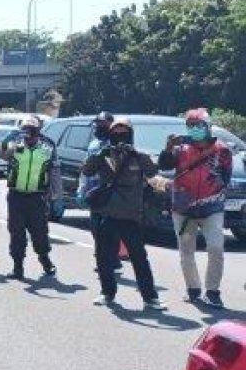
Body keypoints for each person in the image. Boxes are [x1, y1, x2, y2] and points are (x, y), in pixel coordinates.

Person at [83, 117, 165, 310]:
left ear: (130, 135)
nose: (120, 137)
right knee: (103, 256)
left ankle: (150, 297)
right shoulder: (104, 155)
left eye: (124, 133)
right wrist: (98, 154)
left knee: (139, 258)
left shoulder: (139, 156)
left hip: (131, 216)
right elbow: (86, 171)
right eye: (116, 133)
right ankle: (107, 293)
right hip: (107, 213)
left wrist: (137, 154)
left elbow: (153, 173)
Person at [159, 108, 233, 308]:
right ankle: (193, 290)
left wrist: (211, 185)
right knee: (186, 250)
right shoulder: (180, 149)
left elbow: (226, 178)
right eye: (190, 126)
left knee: (216, 247)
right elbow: (164, 166)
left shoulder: (222, 149)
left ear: (208, 126)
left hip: (212, 206)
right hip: (183, 208)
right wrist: (167, 148)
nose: (195, 130)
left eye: (198, 126)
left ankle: (213, 291)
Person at [0, 115, 59, 280]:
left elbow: (54, 171)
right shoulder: (15, 146)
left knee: (39, 232)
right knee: (16, 233)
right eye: (25, 130)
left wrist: (56, 195)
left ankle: (45, 261)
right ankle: (17, 267)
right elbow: (1, 154)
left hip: (37, 197)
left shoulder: (47, 148)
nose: (28, 134)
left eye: (32, 131)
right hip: (16, 196)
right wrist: (5, 141)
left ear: (38, 132)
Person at [78, 112, 121, 273]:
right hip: (93, 191)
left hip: (110, 191)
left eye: (103, 124)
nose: (99, 127)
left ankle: (111, 259)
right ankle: (106, 258)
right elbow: (85, 168)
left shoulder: (116, 144)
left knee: (110, 228)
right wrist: (81, 188)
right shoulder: (93, 144)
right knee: (95, 228)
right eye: (98, 124)